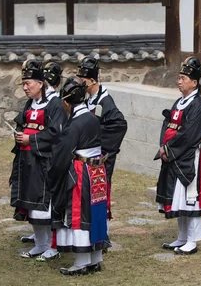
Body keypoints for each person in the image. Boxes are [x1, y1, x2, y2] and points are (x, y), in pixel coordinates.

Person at [48, 76, 110, 275]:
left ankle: (82, 262)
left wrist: (53, 173)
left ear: (66, 102)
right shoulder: (92, 117)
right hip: (98, 171)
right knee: (96, 212)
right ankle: (94, 259)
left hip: (81, 172)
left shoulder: (74, 124)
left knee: (80, 214)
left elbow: (62, 154)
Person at [10, 59, 66, 259]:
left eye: (28, 84)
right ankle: (40, 243)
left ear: (40, 83)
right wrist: (19, 135)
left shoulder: (55, 104)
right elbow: (22, 122)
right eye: (23, 84)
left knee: (46, 205)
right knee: (30, 203)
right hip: (27, 161)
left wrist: (31, 139)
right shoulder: (30, 103)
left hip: (44, 162)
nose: (25, 88)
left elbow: (56, 134)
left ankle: (54, 245)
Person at [156, 57, 201, 255]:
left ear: (194, 82)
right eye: (179, 77)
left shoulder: (198, 105)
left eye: (184, 78)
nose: (179, 81)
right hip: (172, 153)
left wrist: (169, 149)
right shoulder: (179, 102)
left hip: (187, 156)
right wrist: (163, 145)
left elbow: (189, 134)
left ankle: (193, 240)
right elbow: (167, 124)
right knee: (178, 198)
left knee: (190, 198)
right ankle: (182, 237)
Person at [77, 57, 127, 222]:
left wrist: (94, 137)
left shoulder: (105, 101)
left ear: (92, 81)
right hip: (87, 157)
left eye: (82, 81)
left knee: (100, 193)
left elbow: (119, 125)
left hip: (101, 156)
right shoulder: (88, 100)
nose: (80, 84)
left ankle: (101, 232)